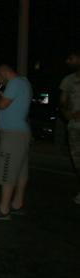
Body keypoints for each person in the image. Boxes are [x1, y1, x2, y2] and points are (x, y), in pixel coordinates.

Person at [0, 64, 33, 220]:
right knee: (20, 171)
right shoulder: (25, 82)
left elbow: (3, 104)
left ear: (3, 72)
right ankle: (17, 204)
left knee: (7, 169)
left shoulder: (14, 83)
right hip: (22, 133)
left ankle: (4, 210)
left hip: (12, 135)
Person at [59, 50, 80, 205]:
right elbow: (62, 101)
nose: (68, 61)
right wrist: (66, 113)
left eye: (71, 58)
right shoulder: (68, 80)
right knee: (77, 161)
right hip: (74, 127)